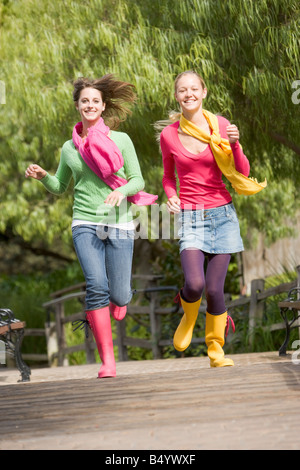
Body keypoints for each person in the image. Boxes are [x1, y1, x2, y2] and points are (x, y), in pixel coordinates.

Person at [25, 75, 157, 378]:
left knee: (120, 295)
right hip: (84, 221)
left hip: (120, 222)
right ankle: (108, 362)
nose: (90, 105)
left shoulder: (120, 140)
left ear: (103, 105)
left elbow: (137, 180)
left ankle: (120, 298)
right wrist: (43, 175)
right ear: (77, 106)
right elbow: (60, 187)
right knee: (97, 285)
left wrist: (121, 191)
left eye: (95, 101)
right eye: (84, 100)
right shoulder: (68, 148)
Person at [159, 70, 266, 367]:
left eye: (194, 88)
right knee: (194, 284)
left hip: (223, 215)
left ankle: (216, 349)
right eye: (183, 90)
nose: (188, 94)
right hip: (192, 216)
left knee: (216, 289)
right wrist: (171, 196)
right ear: (177, 96)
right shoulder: (169, 135)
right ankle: (188, 315)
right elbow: (169, 177)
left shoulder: (219, 125)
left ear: (204, 92)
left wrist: (235, 143)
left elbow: (241, 172)